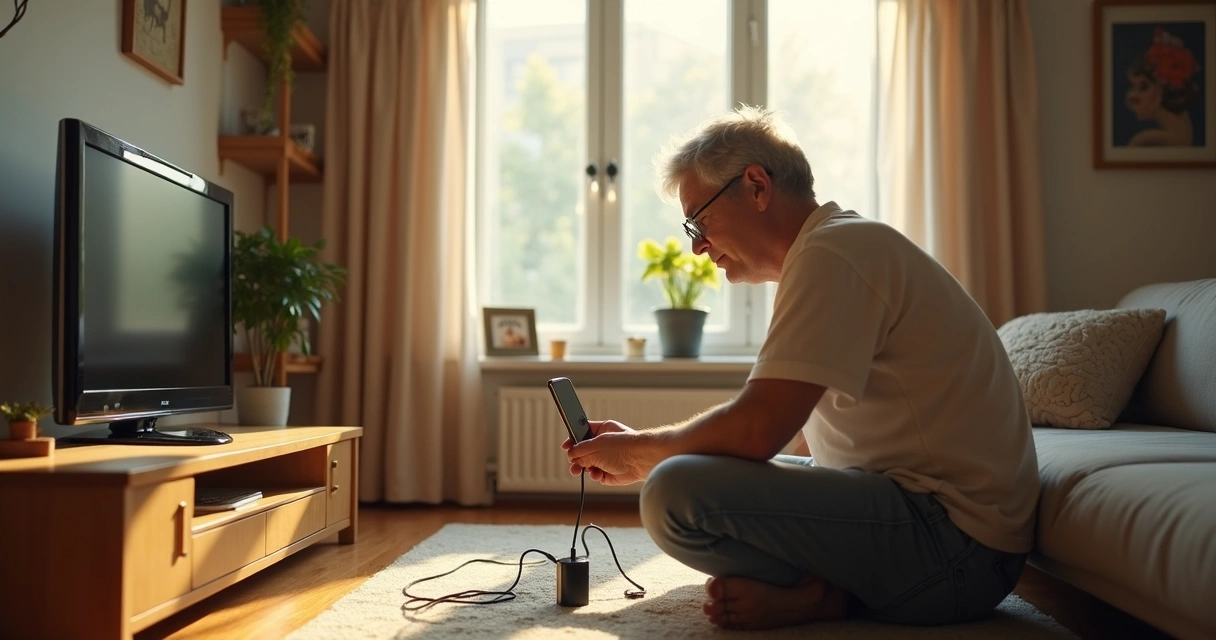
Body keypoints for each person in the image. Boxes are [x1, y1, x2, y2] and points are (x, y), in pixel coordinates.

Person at [561, 106, 1040, 631]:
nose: (697, 245)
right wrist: (647, 453)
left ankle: (829, 594)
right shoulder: (834, 247)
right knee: (690, 473)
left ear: (756, 186)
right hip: (949, 534)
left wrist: (640, 452)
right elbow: (790, 440)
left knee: (673, 493)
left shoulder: (834, 253)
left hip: (956, 549)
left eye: (699, 220)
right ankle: (831, 595)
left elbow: (758, 429)